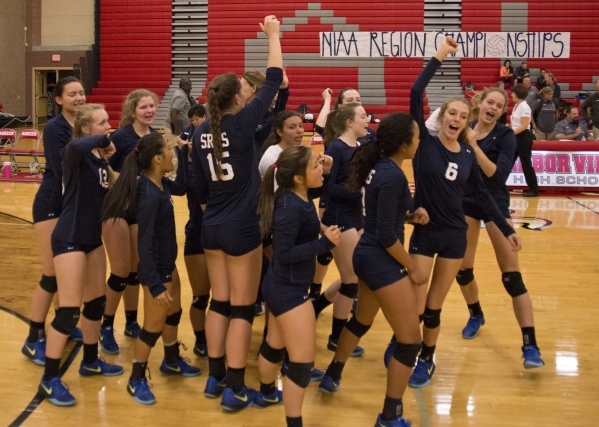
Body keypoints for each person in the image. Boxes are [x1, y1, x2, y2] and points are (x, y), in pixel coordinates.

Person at [403, 37, 522, 389]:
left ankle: (426, 359)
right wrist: (439, 56)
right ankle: (405, 340)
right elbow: (414, 92)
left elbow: (485, 197)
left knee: (435, 307)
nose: (456, 118)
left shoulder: (469, 154)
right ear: (441, 118)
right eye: (451, 113)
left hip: (455, 237)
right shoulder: (423, 144)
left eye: (462, 116)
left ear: (468, 122)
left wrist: (505, 226)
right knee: (416, 301)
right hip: (425, 232)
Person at [191, 15, 283, 411]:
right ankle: (235, 387)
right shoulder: (244, 122)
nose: (250, 92)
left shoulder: (197, 133)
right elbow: (275, 77)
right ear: (237, 98)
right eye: (244, 89)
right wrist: (274, 36)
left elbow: (197, 187)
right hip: (242, 226)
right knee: (243, 307)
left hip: (209, 226)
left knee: (220, 303)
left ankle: (214, 378)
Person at [318, 113, 429, 427]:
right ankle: (389, 415)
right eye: (417, 137)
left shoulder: (382, 168)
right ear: (405, 144)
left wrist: (411, 217)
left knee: (361, 320)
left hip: (366, 256)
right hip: (381, 259)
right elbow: (385, 233)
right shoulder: (391, 174)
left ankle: (332, 374)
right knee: (410, 342)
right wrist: (411, 267)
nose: (420, 142)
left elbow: (386, 218)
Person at [38, 104, 124, 406]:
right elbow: (78, 144)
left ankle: (90, 361)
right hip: (70, 238)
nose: (107, 126)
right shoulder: (74, 153)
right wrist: (104, 141)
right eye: (101, 123)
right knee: (69, 310)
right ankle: (49, 378)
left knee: (96, 302)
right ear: (87, 128)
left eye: (108, 122)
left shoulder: (99, 159)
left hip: (91, 239)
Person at [103, 131, 197, 405]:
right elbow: (143, 246)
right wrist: (154, 284)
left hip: (169, 264)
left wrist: (184, 153)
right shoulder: (147, 195)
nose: (171, 154)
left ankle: (171, 360)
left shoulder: (161, 185)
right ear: (157, 159)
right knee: (152, 326)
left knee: (174, 313)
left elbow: (182, 185)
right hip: (156, 270)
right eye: (168, 150)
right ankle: (136, 378)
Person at [456, 87, 545, 368]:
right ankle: (475, 313)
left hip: (494, 203)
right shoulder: (463, 128)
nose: (493, 107)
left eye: (499, 105)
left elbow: (497, 175)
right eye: (489, 102)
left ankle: (530, 345)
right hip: (466, 204)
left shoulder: (506, 136)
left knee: (512, 277)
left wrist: (474, 146)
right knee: (462, 270)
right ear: (479, 104)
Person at [255, 146, 339, 427]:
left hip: (282, 286)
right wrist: (325, 243)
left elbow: (306, 213)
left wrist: (326, 167)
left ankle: (266, 392)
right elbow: (283, 252)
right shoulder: (290, 205)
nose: (320, 169)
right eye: (315, 166)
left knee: (275, 345)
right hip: (287, 289)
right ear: (298, 178)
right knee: (302, 363)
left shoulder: (299, 196)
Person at [23, 76, 85, 367]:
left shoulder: (83, 127)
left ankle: (64, 325)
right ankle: (33, 337)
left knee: (64, 275)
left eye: (81, 93)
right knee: (50, 275)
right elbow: (64, 170)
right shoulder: (56, 128)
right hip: (51, 204)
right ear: (59, 100)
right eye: (72, 94)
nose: (79, 98)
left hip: (70, 206)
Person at [99, 89, 159, 355]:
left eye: (151, 106)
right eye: (143, 107)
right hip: (117, 208)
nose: (149, 111)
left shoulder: (155, 137)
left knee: (136, 270)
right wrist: (124, 181)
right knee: (120, 270)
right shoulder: (121, 137)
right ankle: (105, 326)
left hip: (140, 209)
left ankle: (132, 322)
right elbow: (104, 167)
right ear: (132, 110)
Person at [319, 103, 370, 357]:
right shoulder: (336, 148)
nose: (367, 119)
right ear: (349, 122)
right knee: (351, 281)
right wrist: (357, 190)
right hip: (339, 218)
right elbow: (328, 188)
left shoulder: (359, 147)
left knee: (357, 274)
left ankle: (316, 305)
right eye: (362, 116)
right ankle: (336, 337)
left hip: (356, 216)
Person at [177, 103, 211, 357]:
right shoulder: (191, 173)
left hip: (224, 236)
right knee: (201, 296)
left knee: (226, 299)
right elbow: (180, 186)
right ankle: (201, 340)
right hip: (197, 234)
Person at [511, 84, 540, 197]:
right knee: (508, 161)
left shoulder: (525, 107)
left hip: (523, 137)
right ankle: (498, 185)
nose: (511, 95)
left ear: (518, 94)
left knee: (526, 163)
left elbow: (524, 125)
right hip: (516, 137)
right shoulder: (516, 106)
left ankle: (534, 189)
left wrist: (510, 133)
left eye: (513, 93)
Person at [259, 110, 304, 180]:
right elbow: (280, 190)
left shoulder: (300, 151)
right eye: (292, 127)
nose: (300, 131)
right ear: (279, 132)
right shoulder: (271, 158)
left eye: (300, 126)